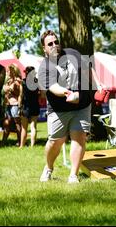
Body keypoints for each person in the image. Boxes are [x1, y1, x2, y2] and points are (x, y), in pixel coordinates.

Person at [37, 30, 101, 184]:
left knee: (79, 138)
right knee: (56, 141)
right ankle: (49, 167)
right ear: (44, 49)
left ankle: (73, 174)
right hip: (59, 110)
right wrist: (68, 93)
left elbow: (88, 68)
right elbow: (53, 88)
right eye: (50, 44)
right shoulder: (45, 67)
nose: (54, 45)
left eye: (56, 42)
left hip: (82, 105)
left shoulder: (73, 53)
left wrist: (97, 85)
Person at [2, 64, 23, 146]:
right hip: (8, 103)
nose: (8, 72)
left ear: (14, 71)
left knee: (17, 123)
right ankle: (3, 142)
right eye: (7, 71)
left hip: (15, 104)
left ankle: (20, 141)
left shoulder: (17, 81)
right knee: (6, 122)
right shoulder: (8, 80)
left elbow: (20, 94)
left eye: (9, 70)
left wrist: (11, 90)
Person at [20, 66, 40, 148]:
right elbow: (41, 94)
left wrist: (19, 106)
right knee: (33, 126)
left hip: (25, 106)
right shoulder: (37, 82)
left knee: (24, 128)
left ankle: (22, 145)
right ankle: (32, 146)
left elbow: (20, 96)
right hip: (35, 105)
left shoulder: (23, 82)